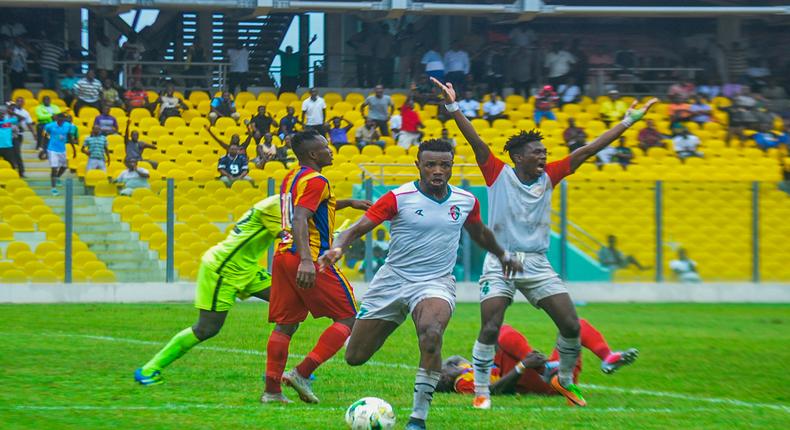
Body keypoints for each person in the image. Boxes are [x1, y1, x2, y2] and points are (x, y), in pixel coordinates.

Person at [433, 76, 656, 409]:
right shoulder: (498, 173)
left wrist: (627, 122)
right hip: (501, 260)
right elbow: (475, 140)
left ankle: (565, 380)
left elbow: (590, 149)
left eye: (544, 153)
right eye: (537, 152)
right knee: (491, 325)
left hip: (536, 262)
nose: (543, 157)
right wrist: (453, 106)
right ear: (519, 157)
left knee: (569, 323)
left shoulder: (549, 176)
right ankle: (481, 390)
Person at [319, 139, 521, 430]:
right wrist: (338, 248)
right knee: (355, 357)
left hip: (435, 283)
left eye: (444, 165)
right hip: (392, 281)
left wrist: (502, 255)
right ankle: (378, 326)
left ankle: (418, 418)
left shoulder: (465, 201)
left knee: (431, 334)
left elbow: (480, 233)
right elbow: (356, 228)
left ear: (452, 166)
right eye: (431, 165)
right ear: (419, 166)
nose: (438, 170)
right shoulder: (398, 198)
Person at [135, 189, 371, 387]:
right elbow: (292, 236)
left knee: (290, 313)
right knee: (207, 328)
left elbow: (310, 212)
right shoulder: (275, 208)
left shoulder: (287, 203)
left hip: (247, 269)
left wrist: (349, 203)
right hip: (223, 268)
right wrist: (332, 239)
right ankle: (149, 369)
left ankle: (280, 375)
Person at [262, 130, 372, 404]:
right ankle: (302, 372)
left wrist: (348, 203)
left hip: (284, 255)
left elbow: (309, 208)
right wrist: (308, 261)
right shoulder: (317, 180)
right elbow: (301, 217)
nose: (330, 149)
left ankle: (272, 392)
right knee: (348, 318)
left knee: (285, 325)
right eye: (325, 146)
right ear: (313, 154)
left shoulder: (292, 177)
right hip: (309, 256)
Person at [436, 320, 638, 396]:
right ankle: (545, 368)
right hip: (534, 383)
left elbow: (454, 358)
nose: (443, 370)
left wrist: (452, 365)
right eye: (441, 375)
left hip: (559, 373)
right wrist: (523, 365)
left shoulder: (462, 369)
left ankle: (607, 356)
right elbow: (492, 391)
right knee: (502, 332)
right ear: (446, 380)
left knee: (574, 326)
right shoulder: (462, 383)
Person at [42, 113, 77, 195]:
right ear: (57, 118)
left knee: (64, 167)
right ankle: (53, 188)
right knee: (54, 168)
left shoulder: (68, 126)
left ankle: (57, 177)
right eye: (60, 118)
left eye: (63, 119)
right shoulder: (49, 126)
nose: (61, 120)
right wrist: (43, 148)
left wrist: (74, 149)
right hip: (52, 149)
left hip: (62, 149)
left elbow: (69, 137)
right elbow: (44, 136)